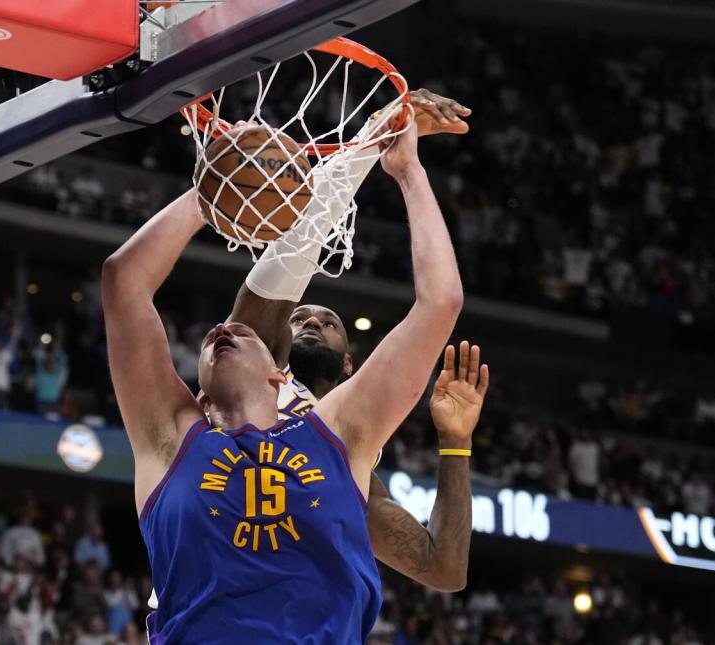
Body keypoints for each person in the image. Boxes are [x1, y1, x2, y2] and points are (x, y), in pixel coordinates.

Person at [101, 100, 487, 641]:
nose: (304, 318)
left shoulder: (346, 445)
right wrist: (223, 181)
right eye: (298, 316)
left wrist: (455, 443)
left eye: (326, 320)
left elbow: (442, 566)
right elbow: (132, 281)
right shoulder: (201, 415)